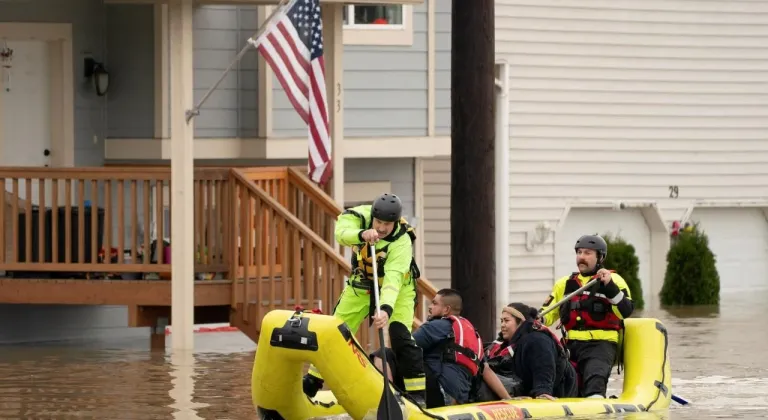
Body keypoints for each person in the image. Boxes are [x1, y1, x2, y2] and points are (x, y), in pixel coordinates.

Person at [302, 193, 427, 404]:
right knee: (334, 331)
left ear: (395, 222)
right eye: (378, 222)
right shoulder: (358, 216)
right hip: (361, 285)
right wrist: (361, 234)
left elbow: (393, 278)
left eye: (387, 224)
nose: (381, 228)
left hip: (399, 290)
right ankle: (313, 381)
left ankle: (417, 396)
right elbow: (341, 233)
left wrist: (385, 309)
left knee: (400, 335)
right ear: (373, 217)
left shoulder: (402, 240)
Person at [539, 234, 634, 399]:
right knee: (562, 386)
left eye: (588, 253)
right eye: (579, 252)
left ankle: (596, 400)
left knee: (594, 384)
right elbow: (548, 314)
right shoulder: (565, 283)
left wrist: (610, 287)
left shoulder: (614, 280)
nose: (581, 257)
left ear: (600, 257)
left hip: (601, 345)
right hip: (570, 347)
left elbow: (625, 311)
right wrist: (537, 320)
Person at [411, 288, 512, 408]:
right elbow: (486, 370)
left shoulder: (436, 326)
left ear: (446, 310)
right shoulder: (470, 332)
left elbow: (405, 346)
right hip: (459, 399)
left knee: (389, 354)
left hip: (439, 394)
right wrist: (508, 399)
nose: (430, 306)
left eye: (434, 303)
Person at [475, 302, 578, 402]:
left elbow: (544, 367)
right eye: (501, 321)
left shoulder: (537, 340)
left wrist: (542, 392)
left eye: (506, 321)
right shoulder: (505, 344)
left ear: (520, 322)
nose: (502, 325)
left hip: (561, 391)